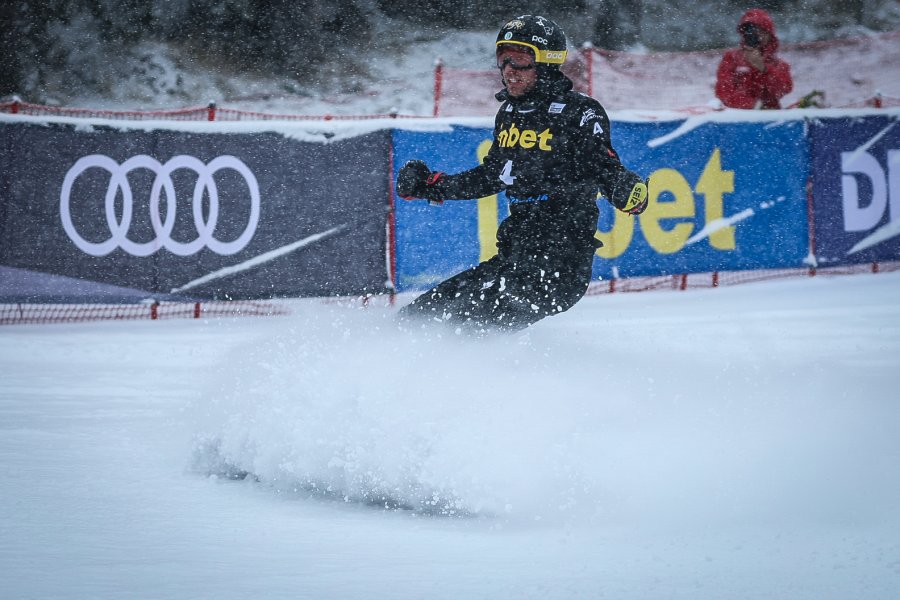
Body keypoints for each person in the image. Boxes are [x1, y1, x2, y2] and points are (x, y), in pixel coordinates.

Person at [396, 14, 648, 333]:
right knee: (417, 317)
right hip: (514, 259)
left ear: (546, 63)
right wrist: (432, 186)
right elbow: (492, 176)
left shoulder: (579, 112)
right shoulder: (510, 114)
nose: (509, 70)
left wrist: (627, 192)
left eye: (520, 59)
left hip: (557, 269)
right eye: (504, 59)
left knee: (454, 331)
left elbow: (607, 169)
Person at [715, 8, 793, 109]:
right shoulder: (731, 58)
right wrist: (751, 105)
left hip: (769, 116)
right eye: (751, 31)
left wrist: (764, 68)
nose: (757, 36)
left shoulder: (778, 64)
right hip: (737, 116)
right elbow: (723, 91)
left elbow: (783, 90)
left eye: (762, 31)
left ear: (770, 34)